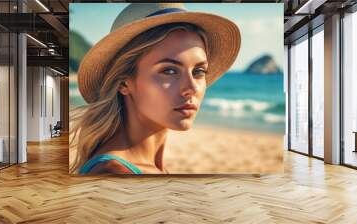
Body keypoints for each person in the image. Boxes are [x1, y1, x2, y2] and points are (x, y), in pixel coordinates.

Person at [70, 3, 241, 174]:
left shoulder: (149, 169)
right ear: (123, 83)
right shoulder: (114, 173)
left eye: (199, 71)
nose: (191, 88)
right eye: (169, 70)